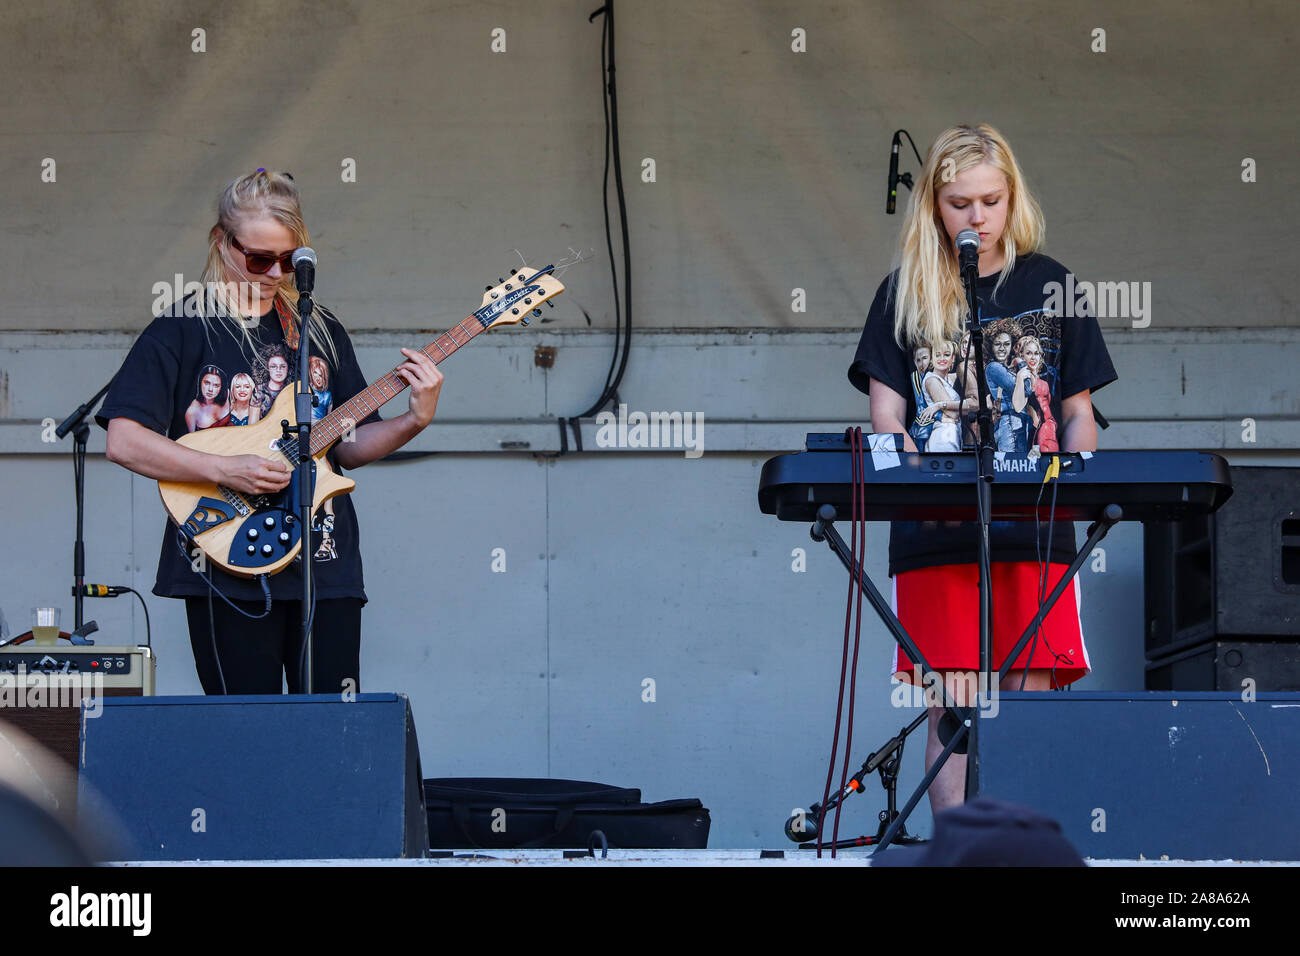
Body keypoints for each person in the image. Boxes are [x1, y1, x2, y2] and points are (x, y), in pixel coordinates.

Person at [847, 125, 1118, 812]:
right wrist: (905, 481)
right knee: (956, 697)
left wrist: (1081, 478)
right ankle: (959, 850)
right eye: (961, 202)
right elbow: (888, 417)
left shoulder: (1051, 283)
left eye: (992, 201)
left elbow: (1077, 407)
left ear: (1012, 198)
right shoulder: (902, 292)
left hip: (1036, 518)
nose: (978, 218)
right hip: (937, 523)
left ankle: (1020, 848)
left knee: (1027, 696)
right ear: (935, 205)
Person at [97, 169, 445, 695]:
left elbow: (349, 447)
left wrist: (414, 419)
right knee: (247, 735)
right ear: (222, 242)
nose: (273, 272)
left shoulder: (319, 329)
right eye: (259, 259)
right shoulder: (182, 329)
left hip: (323, 565)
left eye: (287, 259)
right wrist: (223, 468)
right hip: (224, 559)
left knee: (333, 730)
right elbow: (123, 440)